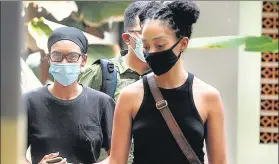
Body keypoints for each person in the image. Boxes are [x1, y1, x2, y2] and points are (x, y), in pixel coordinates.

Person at [109, 1, 227, 164]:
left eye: (160, 45)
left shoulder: (209, 97)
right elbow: (116, 161)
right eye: (146, 46)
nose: (152, 53)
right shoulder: (129, 96)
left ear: (183, 44)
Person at [23, 27, 115, 164]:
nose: (64, 62)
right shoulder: (28, 102)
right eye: (57, 56)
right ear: (49, 59)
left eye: (72, 56)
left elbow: (117, 156)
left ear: (83, 60)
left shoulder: (102, 103)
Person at [78, 2, 154, 163]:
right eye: (143, 32)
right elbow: (72, 126)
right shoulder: (102, 73)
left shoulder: (167, 78)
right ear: (127, 38)